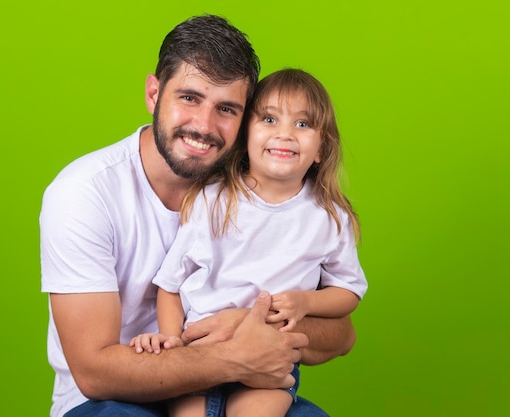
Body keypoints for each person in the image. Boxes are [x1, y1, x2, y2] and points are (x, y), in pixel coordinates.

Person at [40, 14, 355, 417]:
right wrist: (233, 353)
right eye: (189, 98)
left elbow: (340, 334)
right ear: (154, 94)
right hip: (113, 401)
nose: (204, 126)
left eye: (226, 108)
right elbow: (95, 373)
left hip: (246, 389)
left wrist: (246, 323)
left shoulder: (263, 190)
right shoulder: (84, 193)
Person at [130, 68, 368, 417]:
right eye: (269, 119)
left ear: (322, 148)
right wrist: (174, 344)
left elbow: (348, 293)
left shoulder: (328, 217)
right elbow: (169, 286)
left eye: (303, 125)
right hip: (200, 350)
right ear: (245, 136)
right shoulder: (211, 201)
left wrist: (304, 302)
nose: (285, 134)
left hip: (269, 358)